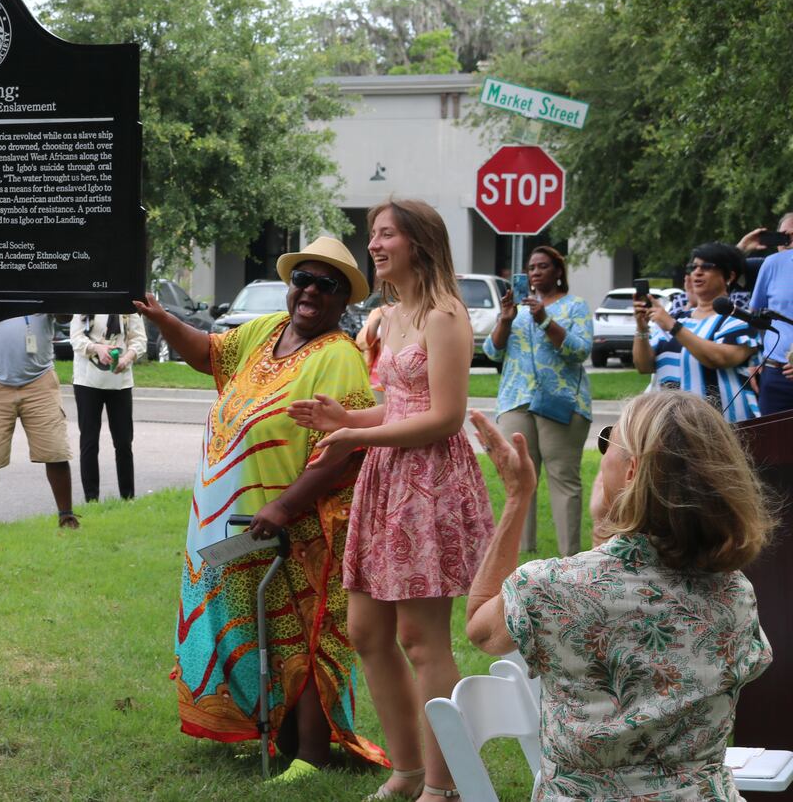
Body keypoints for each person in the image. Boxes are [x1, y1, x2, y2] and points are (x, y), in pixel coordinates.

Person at [136, 237, 386, 778]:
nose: (311, 292)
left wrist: (287, 508)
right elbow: (208, 354)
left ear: (345, 301)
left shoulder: (339, 356)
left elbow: (342, 451)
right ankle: (273, 732)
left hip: (297, 520)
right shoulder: (266, 331)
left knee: (302, 630)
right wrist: (162, 319)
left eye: (328, 285)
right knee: (252, 628)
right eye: (303, 280)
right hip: (229, 516)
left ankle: (313, 756)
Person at [466, 391, 774, 801]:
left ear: (631, 472)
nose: (604, 449)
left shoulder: (550, 587)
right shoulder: (733, 593)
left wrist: (520, 496)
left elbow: (480, 630)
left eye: (609, 439)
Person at [292, 199, 494, 801]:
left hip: (428, 483)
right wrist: (346, 416)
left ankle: (444, 781)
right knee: (366, 630)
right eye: (372, 235)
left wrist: (355, 434)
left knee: (420, 638)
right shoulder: (391, 314)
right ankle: (405, 770)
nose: (374, 245)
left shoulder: (444, 314)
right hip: (386, 479)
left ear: (420, 244)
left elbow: (445, 418)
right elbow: (402, 405)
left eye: (386, 236)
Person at [482, 245, 593, 557]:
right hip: (516, 400)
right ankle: (521, 554)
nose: (536, 272)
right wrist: (505, 319)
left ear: (558, 271)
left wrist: (544, 319)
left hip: (561, 400)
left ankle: (570, 558)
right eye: (531, 268)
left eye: (543, 266)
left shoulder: (575, 306)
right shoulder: (516, 309)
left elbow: (579, 350)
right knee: (518, 479)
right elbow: (492, 352)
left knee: (563, 479)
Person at [634, 241, 761, 421]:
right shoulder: (678, 317)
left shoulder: (739, 320)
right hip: (672, 426)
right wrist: (641, 328)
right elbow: (644, 366)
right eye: (693, 267)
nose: (697, 272)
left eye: (707, 267)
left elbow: (718, 358)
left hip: (724, 425)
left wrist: (672, 326)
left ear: (729, 276)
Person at [0, 314, 79, 527]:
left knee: (55, 450)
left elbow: (64, 317)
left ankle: (66, 516)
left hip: (39, 381)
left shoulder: (41, 282)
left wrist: (54, 289)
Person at [68, 311, 147, 502]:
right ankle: (92, 498)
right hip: (87, 380)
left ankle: (128, 497)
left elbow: (139, 340)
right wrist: (97, 348)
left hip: (121, 381)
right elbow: (76, 338)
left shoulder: (127, 307)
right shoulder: (86, 301)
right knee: (89, 441)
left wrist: (126, 358)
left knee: (123, 442)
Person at [743, 211, 793, 415]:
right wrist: (744, 247)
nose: (789, 241)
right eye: (784, 235)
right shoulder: (771, 263)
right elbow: (755, 320)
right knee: (773, 442)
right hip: (775, 373)